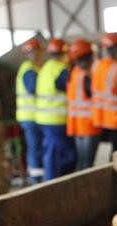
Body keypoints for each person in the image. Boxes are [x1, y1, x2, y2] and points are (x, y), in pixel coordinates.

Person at [36, 38, 76, 180]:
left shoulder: (45, 68)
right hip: (56, 120)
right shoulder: (60, 70)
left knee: (52, 154)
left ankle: (53, 181)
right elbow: (73, 88)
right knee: (58, 155)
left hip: (44, 119)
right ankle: (53, 184)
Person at [67, 38, 100, 171]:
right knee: (87, 163)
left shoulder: (73, 73)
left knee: (81, 161)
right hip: (88, 125)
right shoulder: (86, 76)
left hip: (76, 125)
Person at [16, 38, 45, 183]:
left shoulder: (34, 69)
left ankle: (36, 175)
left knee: (36, 147)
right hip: (30, 117)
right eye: (36, 53)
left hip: (32, 117)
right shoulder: (29, 70)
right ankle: (35, 178)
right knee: (35, 147)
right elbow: (33, 89)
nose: (39, 56)